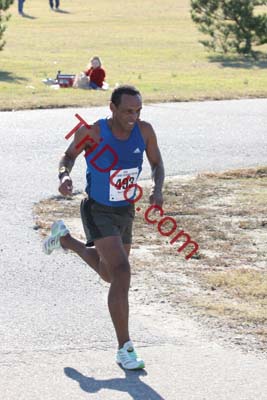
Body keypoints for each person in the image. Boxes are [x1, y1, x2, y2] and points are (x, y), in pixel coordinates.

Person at [42, 85, 165, 370]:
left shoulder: (145, 131)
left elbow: (157, 164)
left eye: (138, 111)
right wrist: (64, 175)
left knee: (110, 275)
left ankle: (66, 240)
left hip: (125, 210)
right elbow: (68, 156)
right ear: (112, 108)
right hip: (97, 209)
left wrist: (158, 190)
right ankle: (125, 348)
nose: (133, 116)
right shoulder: (93, 132)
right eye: (127, 111)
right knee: (122, 272)